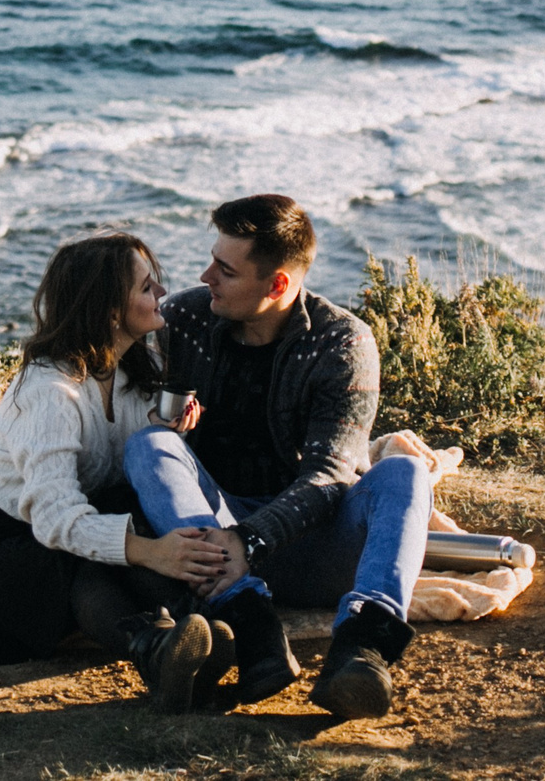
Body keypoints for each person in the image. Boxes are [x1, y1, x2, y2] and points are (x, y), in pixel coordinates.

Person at [122, 194, 432, 720]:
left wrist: (253, 539)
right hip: (213, 542)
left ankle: (362, 649)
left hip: (314, 543)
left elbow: (331, 476)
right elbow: (108, 377)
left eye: (225, 270)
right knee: (148, 445)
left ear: (279, 285)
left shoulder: (341, 343)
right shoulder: (186, 319)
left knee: (405, 470)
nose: (204, 276)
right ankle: (254, 629)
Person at [0, 230, 234, 709]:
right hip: (0, 547)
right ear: (110, 310)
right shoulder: (50, 391)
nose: (162, 294)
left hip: (76, 517)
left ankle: (193, 638)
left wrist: (162, 430)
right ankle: (156, 652)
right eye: (147, 287)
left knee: (129, 524)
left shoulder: (135, 366)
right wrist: (148, 552)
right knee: (83, 559)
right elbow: (54, 520)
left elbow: (116, 464)